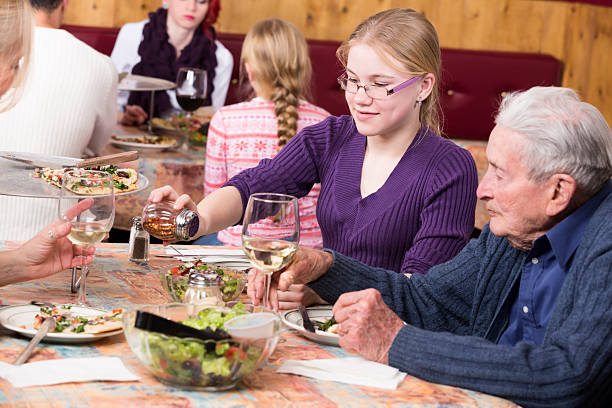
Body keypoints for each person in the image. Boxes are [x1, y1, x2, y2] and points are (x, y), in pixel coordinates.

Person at [250, 86, 612, 407]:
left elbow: (568, 376)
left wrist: (398, 342)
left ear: (558, 192)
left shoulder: (604, 244)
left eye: (499, 174)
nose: (482, 191)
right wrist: (325, 266)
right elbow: (427, 299)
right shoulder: (516, 230)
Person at [149, 9, 478, 309]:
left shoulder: (451, 168)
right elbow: (253, 186)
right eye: (352, 81)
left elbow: (421, 290)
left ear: (423, 86)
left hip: (389, 339)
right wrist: (196, 219)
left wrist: (325, 288)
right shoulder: (331, 136)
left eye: (380, 85)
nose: (360, 98)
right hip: (318, 322)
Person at [197, 18, 330, 248]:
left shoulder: (226, 120)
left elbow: (213, 197)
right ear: (303, 67)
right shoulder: (325, 123)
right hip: (308, 251)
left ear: (249, 69)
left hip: (240, 249)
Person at [0, 0, 118, 241]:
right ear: (65, 3)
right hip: (56, 236)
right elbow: (95, 148)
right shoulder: (100, 65)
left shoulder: (7, 47)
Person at [111, 0, 233, 125]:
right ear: (166, 1)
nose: (191, 7)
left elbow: (212, 119)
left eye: (201, 1)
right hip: (129, 133)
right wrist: (123, 117)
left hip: (187, 138)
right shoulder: (132, 35)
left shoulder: (221, 57)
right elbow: (106, 97)